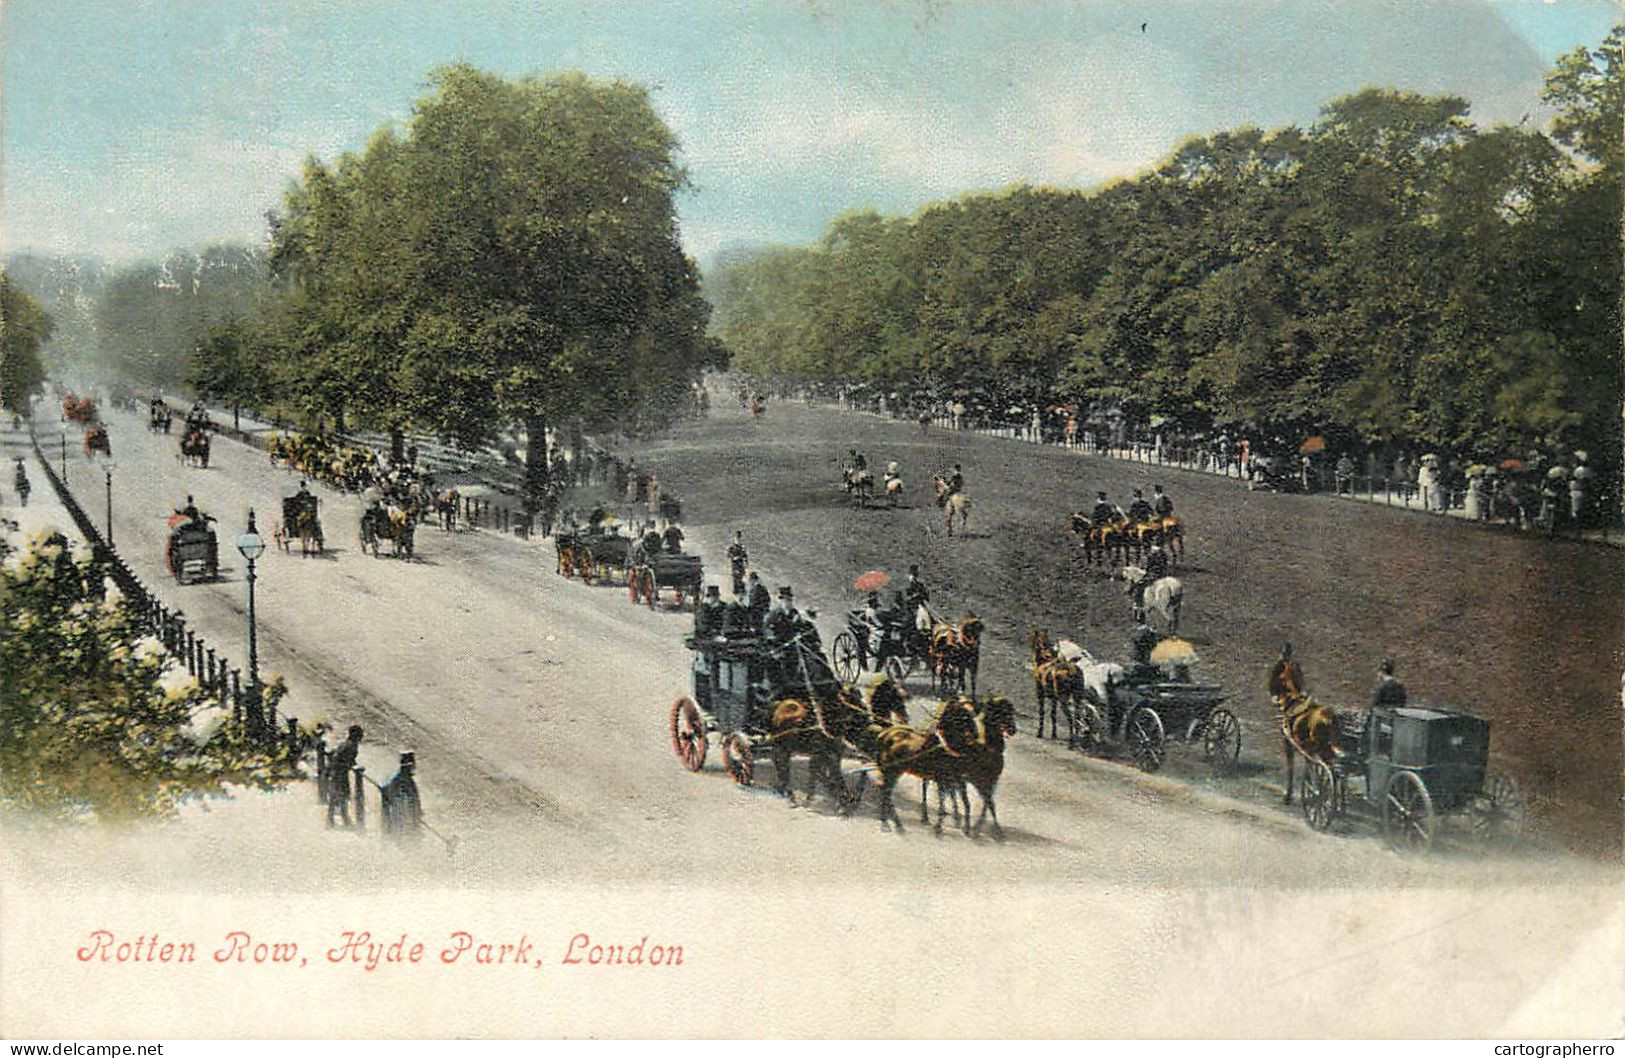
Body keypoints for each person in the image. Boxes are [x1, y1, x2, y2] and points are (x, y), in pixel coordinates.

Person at [326, 725, 364, 828]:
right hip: (340, 773)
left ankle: (332, 819)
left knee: (337, 796)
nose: (361, 737)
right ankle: (341, 819)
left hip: (338, 773)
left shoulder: (348, 744)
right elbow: (342, 759)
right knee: (342, 795)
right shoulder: (350, 745)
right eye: (359, 735)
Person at [380, 750, 423, 838]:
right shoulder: (397, 780)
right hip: (399, 815)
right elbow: (387, 794)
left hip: (407, 816)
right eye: (411, 766)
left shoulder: (408, 779)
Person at [726, 530, 748, 597]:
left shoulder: (742, 547)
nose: (738, 540)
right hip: (735, 566)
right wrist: (735, 557)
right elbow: (728, 555)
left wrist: (746, 562)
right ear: (734, 539)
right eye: (737, 538)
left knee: (742, 578)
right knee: (736, 579)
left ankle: (742, 592)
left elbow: (745, 556)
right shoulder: (732, 548)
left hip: (741, 566)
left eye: (739, 538)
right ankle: (736, 592)